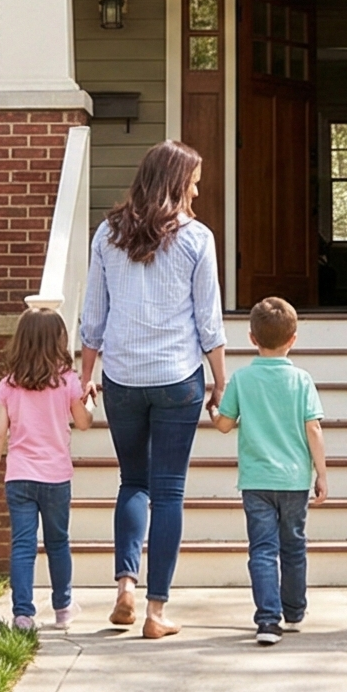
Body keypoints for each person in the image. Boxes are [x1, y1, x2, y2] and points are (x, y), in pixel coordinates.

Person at [79, 139, 229, 640]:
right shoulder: (197, 239)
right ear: (175, 181)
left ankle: (124, 584)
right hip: (177, 377)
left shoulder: (107, 234)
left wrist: (86, 376)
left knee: (132, 482)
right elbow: (208, 320)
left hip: (122, 377)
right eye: (194, 178)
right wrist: (221, 380)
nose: (198, 187)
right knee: (168, 492)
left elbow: (92, 317)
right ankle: (156, 611)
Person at [208, 295, 328, 646]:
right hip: (294, 480)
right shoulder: (302, 380)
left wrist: (213, 411)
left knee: (262, 549)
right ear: (293, 339)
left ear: (252, 338)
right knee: (293, 545)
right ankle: (294, 609)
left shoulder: (242, 380)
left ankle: (267, 620)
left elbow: (226, 425)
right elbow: (314, 429)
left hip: (256, 480)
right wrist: (320, 473)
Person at [0, 307, 92, 632]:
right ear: (58, 341)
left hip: (19, 477)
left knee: (23, 545)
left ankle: (23, 614)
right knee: (58, 543)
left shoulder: (9, 385)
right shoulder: (67, 381)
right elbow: (83, 423)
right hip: (56, 478)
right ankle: (63, 607)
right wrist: (89, 399)